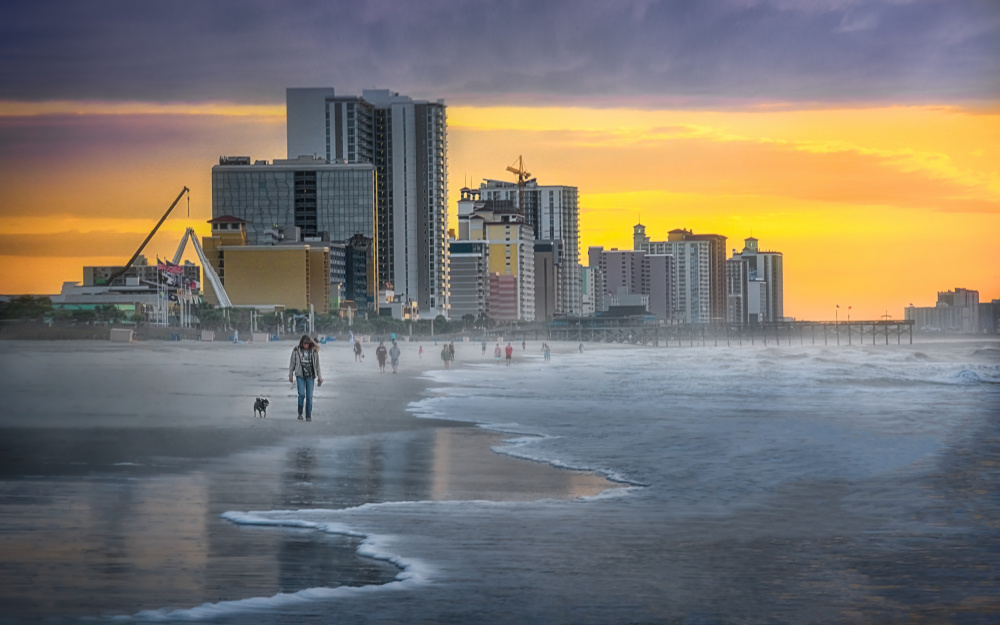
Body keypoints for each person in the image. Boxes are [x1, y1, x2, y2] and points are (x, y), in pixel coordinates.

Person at [288, 334, 322, 421]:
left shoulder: (314, 351)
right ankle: (300, 413)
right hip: (300, 375)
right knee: (301, 394)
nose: (306, 345)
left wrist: (319, 376)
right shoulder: (296, 350)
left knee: (309, 396)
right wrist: (290, 375)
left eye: (308, 343)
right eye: (304, 343)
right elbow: (292, 363)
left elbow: (317, 365)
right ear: (302, 343)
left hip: (310, 376)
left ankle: (308, 415)